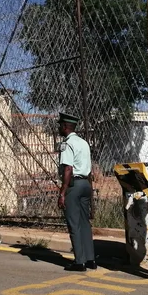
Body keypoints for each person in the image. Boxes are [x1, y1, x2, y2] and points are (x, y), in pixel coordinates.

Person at [57, 112, 96, 272]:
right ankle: (90, 259)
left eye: (60, 125)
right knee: (84, 223)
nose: (59, 128)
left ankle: (79, 261)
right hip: (86, 184)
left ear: (65, 127)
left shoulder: (67, 144)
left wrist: (62, 192)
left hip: (73, 185)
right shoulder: (83, 142)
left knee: (74, 224)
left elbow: (68, 168)